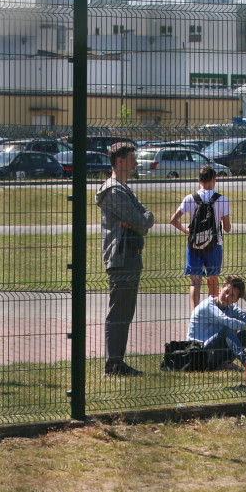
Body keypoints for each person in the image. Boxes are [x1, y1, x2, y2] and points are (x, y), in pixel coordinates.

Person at [96, 142, 155, 376]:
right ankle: (113, 364)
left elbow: (147, 217)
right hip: (120, 257)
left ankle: (118, 361)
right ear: (119, 162)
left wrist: (141, 221)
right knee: (119, 311)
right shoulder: (114, 190)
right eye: (131, 159)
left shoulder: (125, 189)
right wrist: (140, 221)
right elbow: (141, 222)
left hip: (131, 255)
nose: (135, 163)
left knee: (126, 311)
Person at [171, 164, 232, 310]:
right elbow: (228, 228)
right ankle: (212, 311)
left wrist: (187, 231)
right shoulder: (222, 199)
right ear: (214, 179)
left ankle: (195, 313)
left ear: (199, 180)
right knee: (212, 279)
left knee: (195, 281)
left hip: (194, 244)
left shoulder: (190, 198)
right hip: (214, 244)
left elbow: (173, 219)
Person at [186, 275, 246, 371]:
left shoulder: (230, 308)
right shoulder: (208, 305)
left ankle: (222, 364)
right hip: (198, 355)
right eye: (226, 292)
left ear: (235, 300)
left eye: (232, 295)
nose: (227, 297)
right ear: (220, 289)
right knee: (226, 329)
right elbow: (226, 321)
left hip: (214, 353)